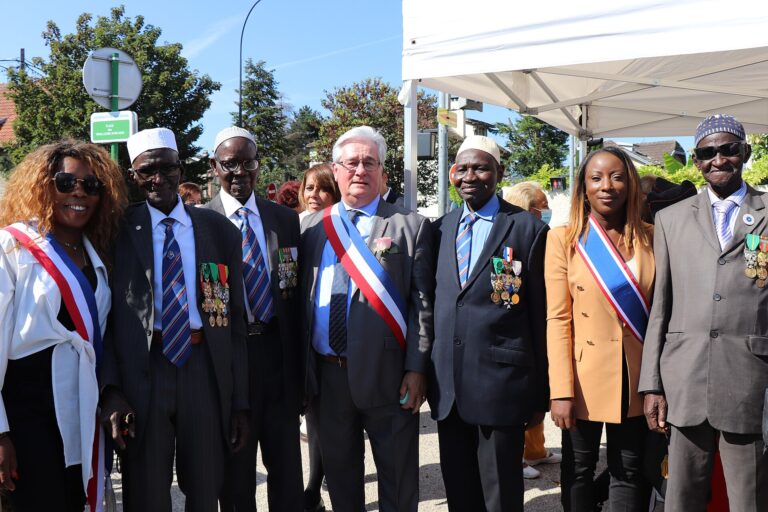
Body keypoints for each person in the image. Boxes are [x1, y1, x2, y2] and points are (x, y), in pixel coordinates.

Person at [99, 127, 249, 512]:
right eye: (147, 171)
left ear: (181, 169)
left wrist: (239, 402)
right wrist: (111, 389)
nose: (158, 179)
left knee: (204, 488)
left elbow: (233, 322)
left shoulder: (219, 232)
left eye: (167, 168)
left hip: (202, 370)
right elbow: (107, 322)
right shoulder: (116, 232)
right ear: (133, 176)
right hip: (144, 373)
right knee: (146, 491)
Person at [299, 126, 434, 512]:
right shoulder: (310, 228)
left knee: (397, 480)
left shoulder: (410, 225)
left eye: (369, 163)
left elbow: (421, 304)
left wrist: (417, 368)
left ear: (382, 174)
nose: (360, 170)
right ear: (335, 171)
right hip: (327, 378)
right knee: (341, 482)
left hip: (390, 376)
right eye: (351, 163)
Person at [639, 114, 768, 512]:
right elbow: (660, 306)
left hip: (750, 378)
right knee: (682, 499)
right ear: (696, 160)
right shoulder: (670, 219)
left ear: (744, 153)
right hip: (685, 379)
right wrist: (653, 384)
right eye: (707, 153)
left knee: (750, 499)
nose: (718, 160)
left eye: (728, 150)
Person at [0, 140, 126, 511]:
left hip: (79, 407)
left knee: (74, 499)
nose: (79, 194)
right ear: (43, 185)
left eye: (91, 186)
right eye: (66, 182)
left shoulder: (96, 253)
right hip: (26, 409)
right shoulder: (13, 247)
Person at [429, 135, 549, 511]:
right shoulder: (437, 230)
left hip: (502, 387)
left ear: (499, 172)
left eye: (480, 167)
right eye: (462, 168)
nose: (470, 176)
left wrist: (540, 393)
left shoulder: (528, 230)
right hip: (448, 388)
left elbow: (540, 316)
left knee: (501, 496)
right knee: (460, 495)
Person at [547, 146, 653, 512]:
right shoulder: (562, 239)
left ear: (631, 184)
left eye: (617, 176)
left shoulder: (653, 237)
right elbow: (557, 319)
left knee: (630, 470)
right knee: (578, 468)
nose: (607, 186)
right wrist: (560, 390)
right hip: (582, 376)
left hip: (636, 375)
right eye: (596, 178)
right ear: (584, 187)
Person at [206, 127, 304, 512]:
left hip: (276, 358)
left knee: (287, 473)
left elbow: (293, 291)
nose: (240, 172)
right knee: (236, 478)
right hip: (232, 359)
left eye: (249, 163)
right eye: (230, 164)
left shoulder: (283, 219)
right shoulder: (200, 222)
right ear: (215, 167)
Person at [502, 181, 560, 481]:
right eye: (542, 205)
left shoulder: (544, 234)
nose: (547, 210)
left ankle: (535, 450)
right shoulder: (510, 239)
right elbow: (506, 293)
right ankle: (517, 455)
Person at [297, 162, 341, 512]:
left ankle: (315, 487)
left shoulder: (342, 228)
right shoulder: (293, 226)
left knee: (329, 425)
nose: (314, 195)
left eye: (323, 188)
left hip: (335, 343)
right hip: (303, 339)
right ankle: (313, 486)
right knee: (312, 420)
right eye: (309, 187)